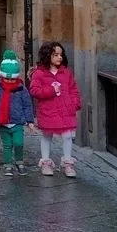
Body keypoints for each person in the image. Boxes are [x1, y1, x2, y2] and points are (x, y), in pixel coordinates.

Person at [29, 42, 82, 177]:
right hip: (48, 110)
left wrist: (74, 103)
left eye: (61, 55)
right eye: (55, 55)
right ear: (47, 56)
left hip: (65, 110)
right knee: (47, 135)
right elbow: (35, 91)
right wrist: (51, 90)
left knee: (67, 135)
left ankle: (67, 162)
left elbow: (73, 89)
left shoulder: (66, 72)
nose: (59, 58)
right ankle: (46, 161)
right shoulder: (39, 73)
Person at [0, 51, 35, 176]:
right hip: (3, 122)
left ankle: (19, 161)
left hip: (17, 122)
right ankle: (8, 164)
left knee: (19, 143)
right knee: (7, 145)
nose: (9, 81)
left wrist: (30, 121)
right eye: (7, 78)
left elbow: (27, 105)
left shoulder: (21, 89)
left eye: (12, 79)